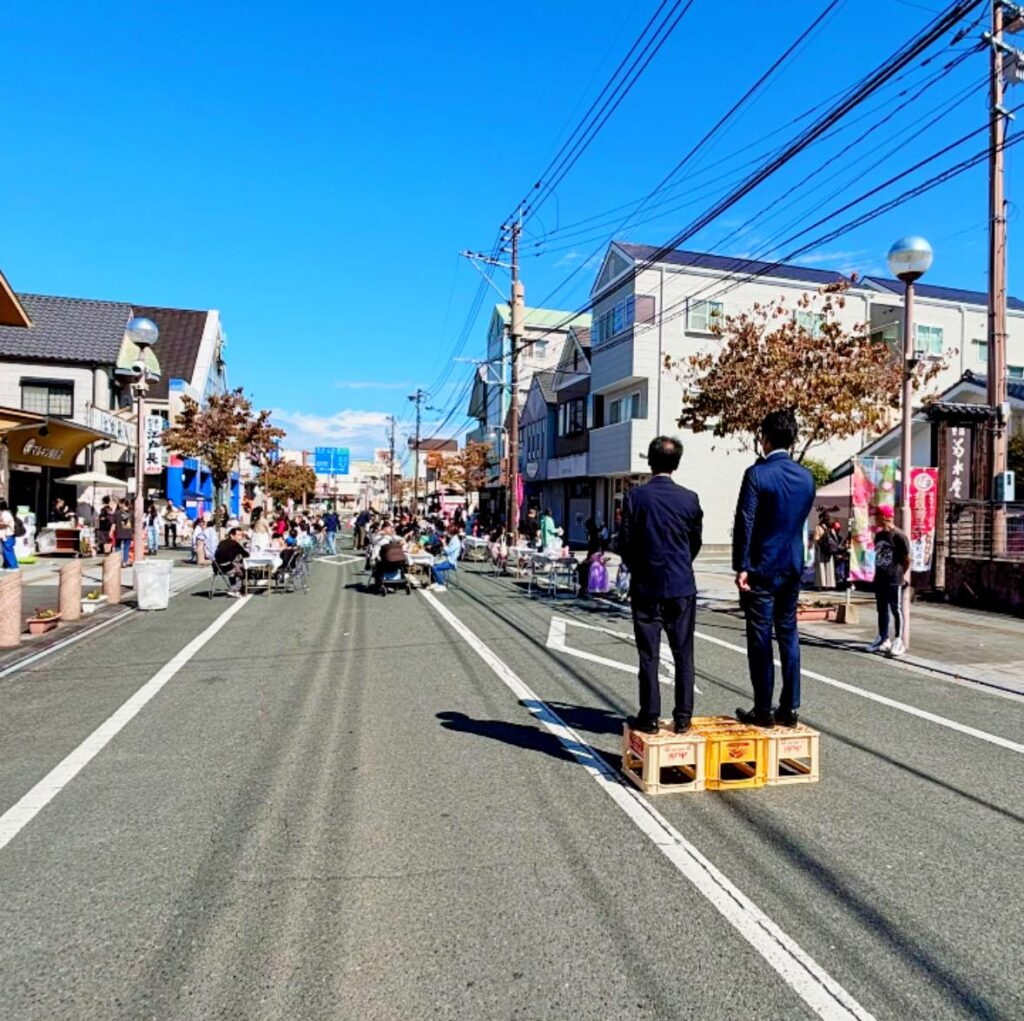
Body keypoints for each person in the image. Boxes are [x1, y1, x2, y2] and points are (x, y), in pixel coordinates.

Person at [732, 409, 815, 728]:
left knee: (760, 637)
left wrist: (742, 565)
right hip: (792, 564)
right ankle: (790, 707)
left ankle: (763, 709)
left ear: (765, 438)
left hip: (761, 567)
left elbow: (746, 521)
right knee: (789, 633)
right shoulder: (806, 478)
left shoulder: (757, 474)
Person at [618, 436, 703, 735]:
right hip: (681, 584)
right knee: (683, 653)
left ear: (650, 462)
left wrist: (638, 566)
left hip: (646, 585)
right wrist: (681, 562)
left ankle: (650, 716)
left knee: (648, 654)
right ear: (676, 463)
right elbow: (695, 542)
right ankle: (683, 717)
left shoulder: (635, 497)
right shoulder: (689, 499)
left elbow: (625, 542)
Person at [867, 505, 911, 657]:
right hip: (880, 577)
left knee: (895, 608)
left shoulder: (899, 536)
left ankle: (898, 639)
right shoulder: (879, 535)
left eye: (877, 516)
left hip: (894, 577)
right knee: (881, 609)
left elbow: (907, 559)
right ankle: (883, 637)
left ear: (885, 517)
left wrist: (901, 574)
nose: (875, 519)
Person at [214, 527, 248, 597]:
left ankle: (236, 589)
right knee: (243, 570)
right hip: (227, 568)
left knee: (237, 568)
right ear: (231, 535)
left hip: (217, 567)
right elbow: (246, 554)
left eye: (241, 535)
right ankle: (233, 589)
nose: (240, 537)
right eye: (238, 535)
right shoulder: (234, 544)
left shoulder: (222, 542)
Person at [430, 526, 463, 591]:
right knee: (432, 563)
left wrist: (444, 543)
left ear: (451, 532)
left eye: (448, 531)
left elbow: (448, 551)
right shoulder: (452, 539)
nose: (447, 533)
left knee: (435, 568)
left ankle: (442, 584)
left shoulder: (456, 541)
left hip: (451, 562)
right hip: (446, 558)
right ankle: (438, 581)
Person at [813, 511, 837, 590]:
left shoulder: (818, 527)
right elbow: (835, 539)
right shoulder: (831, 528)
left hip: (821, 550)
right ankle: (829, 584)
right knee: (829, 566)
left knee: (821, 567)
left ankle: (821, 584)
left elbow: (816, 540)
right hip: (829, 550)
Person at [114, 499, 133, 566]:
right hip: (128, 532)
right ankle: (125, 561)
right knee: (126, 547)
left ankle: (118, 561)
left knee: (118, 547)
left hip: (119, 532)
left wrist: (112, 531)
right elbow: (134, 523)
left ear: (122, 505)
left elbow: (114, 523)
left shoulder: (117, 513)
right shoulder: (131, 513)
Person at [0, 500, 18, 570]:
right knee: (5, 551)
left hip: (8, 535)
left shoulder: (6, 514)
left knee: (8, 551)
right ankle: (7, 566)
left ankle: (14, 566)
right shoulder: (4, 513)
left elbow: (5, 524)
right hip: (5, 536)